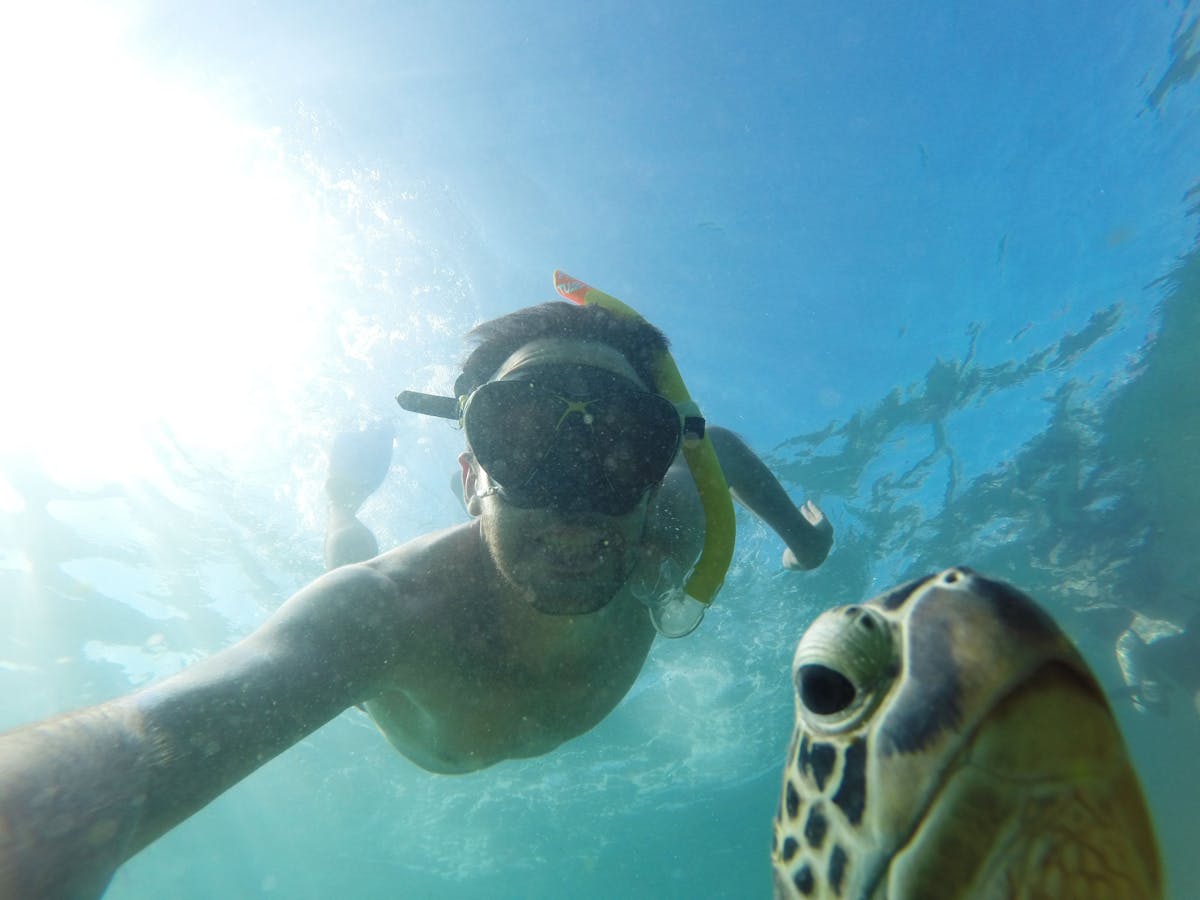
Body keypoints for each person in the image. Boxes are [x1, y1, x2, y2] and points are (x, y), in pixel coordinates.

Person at [0, 300, 832, 898]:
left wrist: (806, 537)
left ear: (657, 472)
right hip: (411, 714)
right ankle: (341, 502)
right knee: (345, 560)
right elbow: (138, 745)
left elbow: (713, 448)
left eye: (623, 446)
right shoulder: (382, 614)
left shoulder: (671, 522)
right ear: (470, 476)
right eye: (528, 440)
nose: (580, 492)